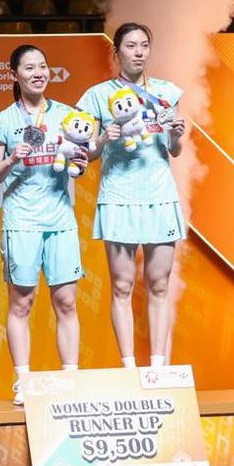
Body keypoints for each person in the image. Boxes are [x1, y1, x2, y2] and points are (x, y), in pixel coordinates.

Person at [78, 22, 188, 369]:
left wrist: (176, 133)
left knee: (158, 285)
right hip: (120, 195)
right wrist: (102, 139)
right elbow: (88, 153)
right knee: (122, 286)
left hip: (158, 194)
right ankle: (128, 367)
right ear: (117, 52)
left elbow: (175, 150)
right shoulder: (98, 95)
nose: (139, 52)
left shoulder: (167, 93)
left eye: (144, 45)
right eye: (131, 46)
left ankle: (158, 367)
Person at [0, 45, 86, 405]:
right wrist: (12, 158)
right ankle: (23, 380)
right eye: (29, 67)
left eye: (43, 66)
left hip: (60, 219)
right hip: (22, 221)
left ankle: (70, 379)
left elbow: (82, 157)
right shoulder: (4, 121)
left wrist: (84, 159)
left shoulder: (68, 115)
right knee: (21, 303)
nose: (39, 72)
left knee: (67, 302)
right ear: (15, 75)